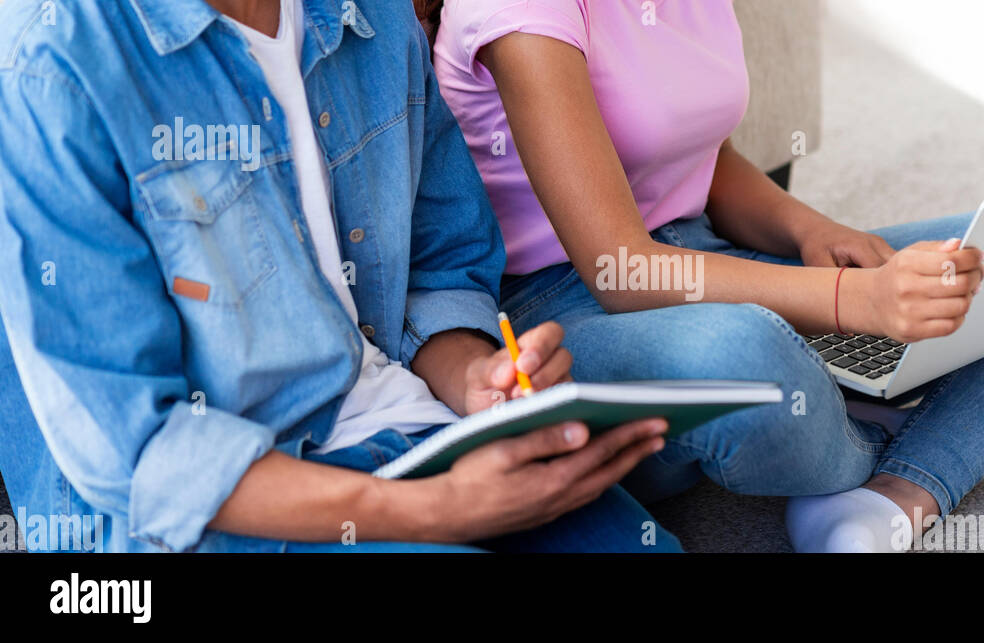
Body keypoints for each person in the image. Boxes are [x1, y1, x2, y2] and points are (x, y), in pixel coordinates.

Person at [425, 0, 984, 551]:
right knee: (741, 356)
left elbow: (697, 155)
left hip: (715, 260)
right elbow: (623, 269)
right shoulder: (519, 10)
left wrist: (813, 230)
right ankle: (895, 403)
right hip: (568, 312)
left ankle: (892, 494)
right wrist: (853, 302)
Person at [0, 0, 678, 553]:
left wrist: (478, 381)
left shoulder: (374, 17)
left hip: (405, 432)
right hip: (193, 513)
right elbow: (137, 456)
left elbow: (437, 268)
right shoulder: (49, 66)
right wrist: (436, 511)